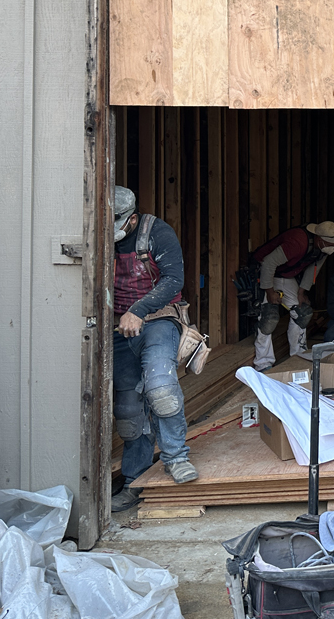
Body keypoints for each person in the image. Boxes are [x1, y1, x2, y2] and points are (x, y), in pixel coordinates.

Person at [111, 186, 197, 512]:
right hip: (118, 329)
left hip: (159, 320)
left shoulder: (157, 233)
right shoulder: (99, 231)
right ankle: (135, 479)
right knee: (129, 409)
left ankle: (176, 458)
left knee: (161, 389)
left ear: (131, 219)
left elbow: (174, 280)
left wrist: (139, 310)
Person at [250, 221, 334, 368]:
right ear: (318, 238)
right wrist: (270, 292)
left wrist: (302, 292)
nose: (332, 247)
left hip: (285, 275)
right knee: (269, 318)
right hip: (265, 271)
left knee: (302, 313)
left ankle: (298, 355)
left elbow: (314, 268)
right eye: (328, 243)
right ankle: (263, 363)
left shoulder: (323, 248)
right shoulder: (297, 242)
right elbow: (268, 263)